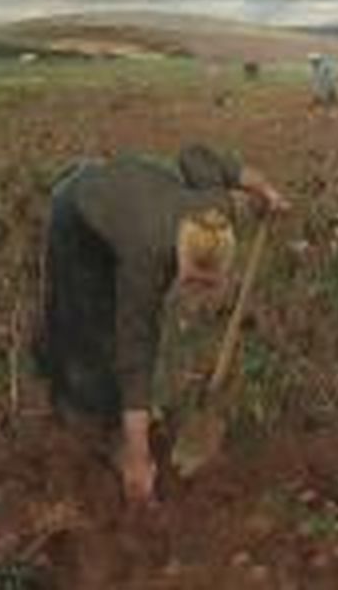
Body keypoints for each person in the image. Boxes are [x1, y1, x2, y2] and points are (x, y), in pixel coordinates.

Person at [38, 144, 288, 504]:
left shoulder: (216, 211)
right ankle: (90, 419)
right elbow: (135, 350)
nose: (198, 293)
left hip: (123, 184)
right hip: (79, 212)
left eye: (208, 284)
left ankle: (128, 417)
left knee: (128, 319)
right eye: (193, 282)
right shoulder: (147, 257)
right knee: (92, 328)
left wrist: (260, 187)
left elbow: (196, 156)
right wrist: (139, 459)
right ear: (177, 254)